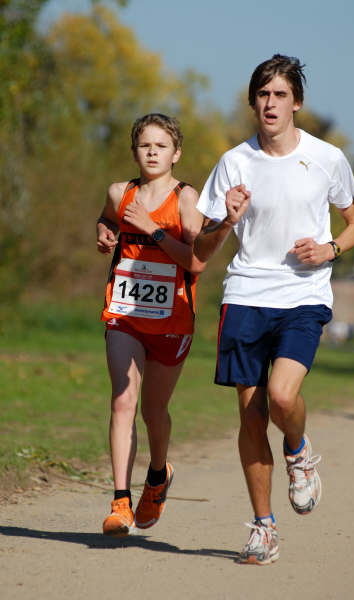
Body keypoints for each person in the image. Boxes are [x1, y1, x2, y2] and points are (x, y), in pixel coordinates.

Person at [194, 54, 354, 565]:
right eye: (262, 95)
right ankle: (263, 529)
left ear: (297, 103)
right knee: (251, 418)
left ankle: (298, 449)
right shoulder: (234, 161)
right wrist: (224, 221)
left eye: (280, 94)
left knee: (281, 395)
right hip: (246, 293)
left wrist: (329, 249)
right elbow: (201, 246)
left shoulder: (327, 157)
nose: (270, 104)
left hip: (303, 295)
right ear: (253, 102)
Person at [97, 113, 204, 536]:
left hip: (172, 318)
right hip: (124, 313)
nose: (153, 152)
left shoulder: (186, 199)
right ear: (135, 151)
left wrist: (153, 230)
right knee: (123, 401)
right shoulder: (120, 192)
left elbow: (197, 261)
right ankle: (120, 503)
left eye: (162, 146)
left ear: (176, 153)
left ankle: (157, 476)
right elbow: (108, 219)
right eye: (145, 145)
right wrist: (105, 231)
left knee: (153, 410)